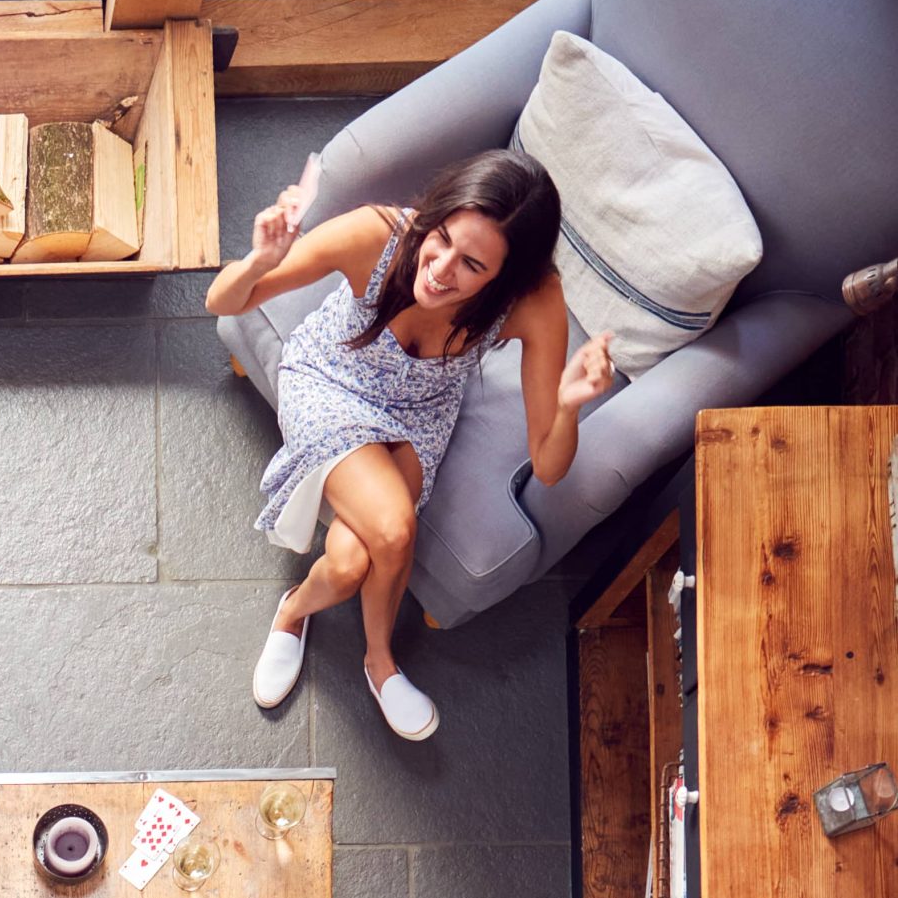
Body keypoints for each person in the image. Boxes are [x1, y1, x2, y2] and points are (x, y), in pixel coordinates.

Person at [205, 149, 615, 741]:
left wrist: (571, 404)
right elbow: (222, 301)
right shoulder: (377, 235)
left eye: (472, 264)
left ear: (507, 278)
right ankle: (381, 660)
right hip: (330, 380)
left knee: (348, 566)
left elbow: (549, 467)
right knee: (395, 530)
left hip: (419, 415)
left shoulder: (534, 299)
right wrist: (261, 261)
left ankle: (297, 609)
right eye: (442, 237)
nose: (441, 269)